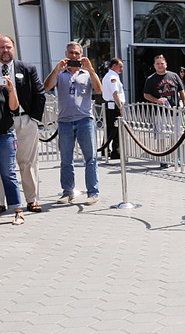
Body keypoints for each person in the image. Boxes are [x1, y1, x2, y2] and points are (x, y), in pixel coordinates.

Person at [43, 42, 103, 205]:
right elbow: (47, 87)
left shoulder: (86, 73)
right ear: (66, 54)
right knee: (66, 159)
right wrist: (56, 69)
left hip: (85, 120)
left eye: (77, 53)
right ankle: (68, 192)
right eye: (71, 53)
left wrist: (91, 70)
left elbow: (99, 90)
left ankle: (92, 192)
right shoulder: (60, 74)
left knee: (90, 158)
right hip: (65, 122)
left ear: (81, 54)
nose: (74, 56)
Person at [0, 34, 46, 213]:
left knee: (27, 162)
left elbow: (40, 93)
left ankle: (32, 199)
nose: (5, 51)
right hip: (2, 123)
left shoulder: (27, 68)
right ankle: (1, 202)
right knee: (2, 165)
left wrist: (33, 119)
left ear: (14, 48)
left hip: (24, 120)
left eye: (8, 47)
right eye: (1, 47)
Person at [143, 55, 185, 169]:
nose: (160, 66)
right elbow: (146, 94)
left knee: (175, 135)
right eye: (157, 63)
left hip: (175, 111)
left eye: (162, 63)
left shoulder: (174, 76)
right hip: (160, 112)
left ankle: (174, 157)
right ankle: (163, 158)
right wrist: (156, 100)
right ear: (154, 65)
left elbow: (182, 91)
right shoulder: (151, 79)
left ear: (166, 64)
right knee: (161, 136)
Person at [0, 65, 24, 224]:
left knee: (8, 173)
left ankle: (18, 210)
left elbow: (14, 108)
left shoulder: (3, 85)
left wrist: (11, 89)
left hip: (5, 134)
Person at [101, 57, 125, 160]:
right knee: (115, 129)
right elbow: (115, 93)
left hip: (111, 105)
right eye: (120, 66)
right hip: (113, 105)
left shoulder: (111, 75)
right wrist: (120, 106)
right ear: (114, 66)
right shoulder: (112, 77)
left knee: (110, 128)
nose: (121, 69)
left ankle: (105, 149)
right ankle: (116, 151)